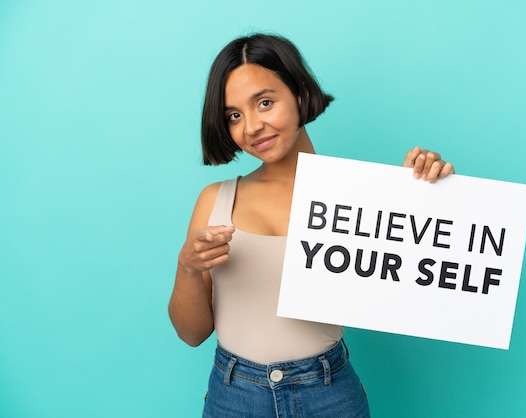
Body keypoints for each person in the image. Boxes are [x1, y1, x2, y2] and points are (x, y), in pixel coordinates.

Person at [168, 33, 455, 418]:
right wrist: (187, 267)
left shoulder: (359, 195)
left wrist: (427, 192)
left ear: (301, 93)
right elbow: (191, 334)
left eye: (265, 102)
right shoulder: (216, 200)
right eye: (234, 115)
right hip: (234, 395)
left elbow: (415, 283)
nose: (252, 126)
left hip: (328, 393)